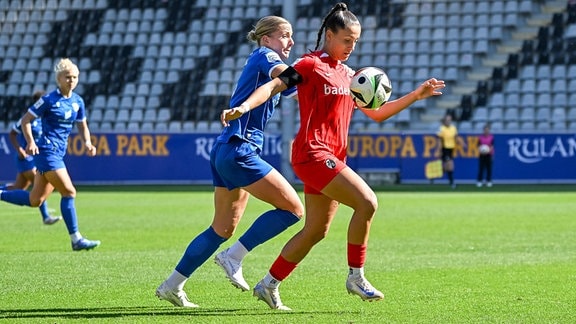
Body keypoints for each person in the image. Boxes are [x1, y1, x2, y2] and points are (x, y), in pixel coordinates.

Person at [221, 2, 445, 310]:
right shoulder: (310, 65)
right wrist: (244, 107)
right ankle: (356, 276)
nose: (352, 47)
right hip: (312, 154)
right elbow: (274, 85)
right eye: (347, 40)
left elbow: (377, 114)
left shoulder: (351, 75)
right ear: (329, 34)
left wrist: (415, 96)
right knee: (367, 202)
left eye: (355, 42)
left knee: (316, 230)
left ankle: (268, 284)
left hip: (332, 157)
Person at [155, 16, 304, 308]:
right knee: (293, 209)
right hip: (240, 149)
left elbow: (294, 87)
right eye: (285, 35)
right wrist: (312, 68)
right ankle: (233, 256)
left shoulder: (265, 62)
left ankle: (172, 285)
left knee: (222, 228)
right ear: (266, 39)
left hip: (226, 148)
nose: (291, 41)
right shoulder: (265, 54)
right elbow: (292, 77)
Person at [0, 58, 101, 251]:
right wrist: (30, 141)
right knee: (69, 191)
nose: (71, 80)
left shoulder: (78, 101)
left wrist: (87, 142)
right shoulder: (48, 100)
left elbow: (83, 126)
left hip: (58, 153)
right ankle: (76, 239)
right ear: (59, 79)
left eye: (75, 77)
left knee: (35, 200)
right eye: (67, 77)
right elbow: (25, 120)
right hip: (46, 152)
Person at [2, 90, 61, 225]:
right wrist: (20, 149)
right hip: (26, 158)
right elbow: (12, 134)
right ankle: (46, 216)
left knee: (18, 187)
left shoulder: (45, 119)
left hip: (37, 158)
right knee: (39, 183)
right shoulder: (27, 118)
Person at [436, 114, 458, 189]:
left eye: (450, 120)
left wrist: (462, 144)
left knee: (448, 167)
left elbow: (456, 138)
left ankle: (443, 171)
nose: (448, 121)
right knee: (451, 166)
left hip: (451, 149)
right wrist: (439, 150)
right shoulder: (441, 128)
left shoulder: (453, 128)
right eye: (447, 120)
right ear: (444, 121)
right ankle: (452, 182)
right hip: (445, 149)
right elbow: (439, 140)